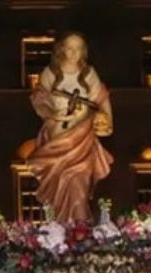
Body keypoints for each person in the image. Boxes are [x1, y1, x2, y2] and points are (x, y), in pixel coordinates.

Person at [27, 31, 114, 223]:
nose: (74, 53)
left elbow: (102, 98)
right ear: (61, 49)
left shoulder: (88, 74)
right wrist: (52, 112)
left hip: (81, 140)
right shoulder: (51, 73)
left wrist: (107, 121)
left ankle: (79, 232)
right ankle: (59, 234)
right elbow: (39, 99)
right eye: (70, 48)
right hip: (56, 140)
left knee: (78, 188)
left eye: (78, 48)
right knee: (57, 191)